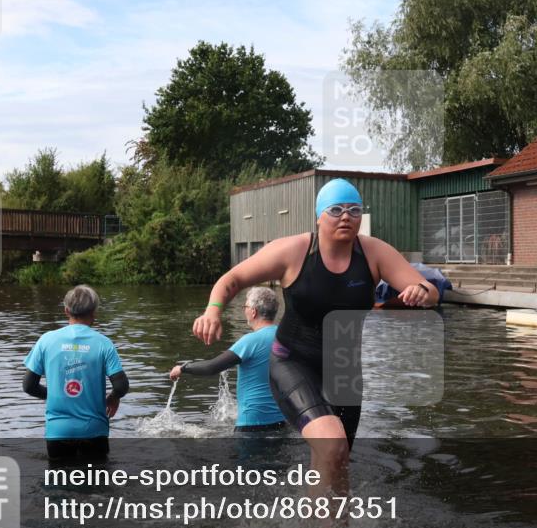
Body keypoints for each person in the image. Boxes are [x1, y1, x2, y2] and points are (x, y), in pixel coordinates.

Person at [192, 178, 438, 500]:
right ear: (319, 216)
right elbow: (232, 279)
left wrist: (422, 292)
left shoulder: (374, 253)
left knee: (339, 460)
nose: (346, 216)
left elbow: (429, 290)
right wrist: (213, 311)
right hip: (293, 361)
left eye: (354, 210)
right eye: (336, 210)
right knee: (331, 442)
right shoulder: (294, 251)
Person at [23, 285, 129, 461]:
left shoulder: (46, 340)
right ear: (94, 312)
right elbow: (121, 385)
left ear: (66, 311)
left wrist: (55, 395)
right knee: (97, 484)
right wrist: (113, 397)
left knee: (60, 482)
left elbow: (28, 386)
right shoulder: (104, 344)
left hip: (58, 431)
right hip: (94, 430)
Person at [169, 286, 287, 433]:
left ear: (253, 311)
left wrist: (183, 368)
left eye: (245, 306)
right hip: (281, 422)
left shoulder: (250, 341)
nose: (245, 310)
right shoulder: (286, 337)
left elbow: (211, 367)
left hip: (252, 424)